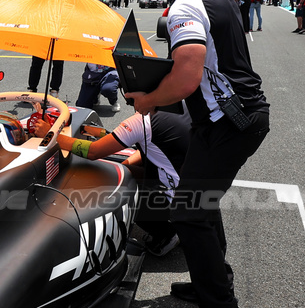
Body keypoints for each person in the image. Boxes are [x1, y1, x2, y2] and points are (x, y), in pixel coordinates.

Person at [126, 0, 269, 308]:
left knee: (187, 213)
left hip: (230, 121)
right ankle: (213, 282)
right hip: (228, 119)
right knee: (200, 203)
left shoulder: (188, 3)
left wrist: (147, 99)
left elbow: (187, 78)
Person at [33, 105, 191, 256]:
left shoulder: (141, 121)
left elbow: (93, 152)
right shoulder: (180, 104)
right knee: (124, 169)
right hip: (200, 190)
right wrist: (123, 168)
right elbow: (146, 147)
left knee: (113, 183)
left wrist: (51, 135)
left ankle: (166, 235)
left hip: (178, 199)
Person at [28, 0, 79, 96]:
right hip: (43, 26)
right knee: (36, 61)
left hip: (60, 28)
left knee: (58, 62)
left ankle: (54, 90)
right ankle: (32, 89)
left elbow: (75, 8)